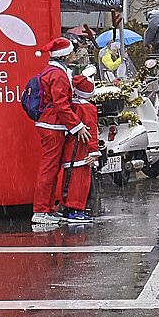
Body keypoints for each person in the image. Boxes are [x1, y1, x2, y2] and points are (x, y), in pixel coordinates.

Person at [24, 37, 82, 230]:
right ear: (65, 56)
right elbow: (61, 105)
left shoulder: (51, 72)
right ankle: (41, 210)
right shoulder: (58, 75)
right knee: (49, 168)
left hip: (50, 124)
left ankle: (46, 208)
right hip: (53, 126)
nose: (75, 54)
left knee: (51, 167)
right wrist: (77, 125)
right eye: (73, 51)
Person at [57, 71, 100, 225]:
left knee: (69, 179)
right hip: (81, 151)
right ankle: (76, 210)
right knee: (80, 181)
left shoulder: (72, 105)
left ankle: (68, 207)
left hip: (70, 147)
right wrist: (94, 151)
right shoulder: (88, 108)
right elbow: (91, 130)